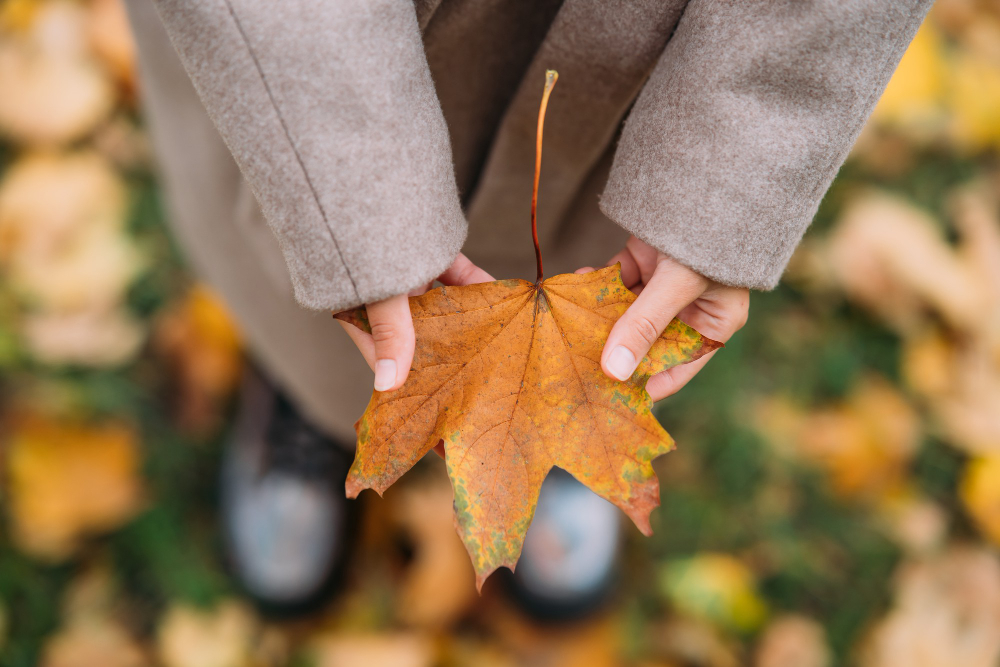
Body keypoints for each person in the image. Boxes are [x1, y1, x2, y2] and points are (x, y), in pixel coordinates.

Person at [124, 0, 932, 616]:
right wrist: (351, 198)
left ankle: (569, 424)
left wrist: (729, 176)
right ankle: (305, 394)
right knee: (326, 269)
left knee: (614, 287)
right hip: (314, 54)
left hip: (651, 70)